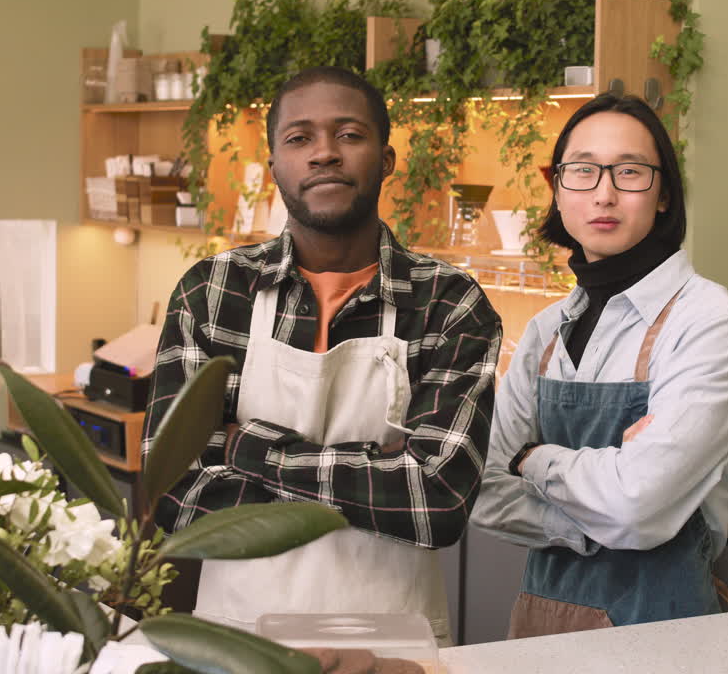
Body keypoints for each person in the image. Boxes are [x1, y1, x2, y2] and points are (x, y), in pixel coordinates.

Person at [143, 66, 502, 644]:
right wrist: (378, 471)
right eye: (299, 138)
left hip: (392, 643)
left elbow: (436, 503)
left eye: (350, 135)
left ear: (386, 160)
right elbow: (175, 496)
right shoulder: (214, 292)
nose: (324, 154)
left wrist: (247, 446)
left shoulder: (448, 302)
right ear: (274, 166)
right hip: (235, 641)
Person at [471, 93, 728, 638]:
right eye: (582, 171)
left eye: (629, 172)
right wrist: (596, 514)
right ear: (557, 190)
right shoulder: (546, 330)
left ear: (665, 194)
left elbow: (636, 504)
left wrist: (533, 460)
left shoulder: (712, 324)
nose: (604, 193)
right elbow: (483, 489)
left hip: (663, 635)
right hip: (538, 629)